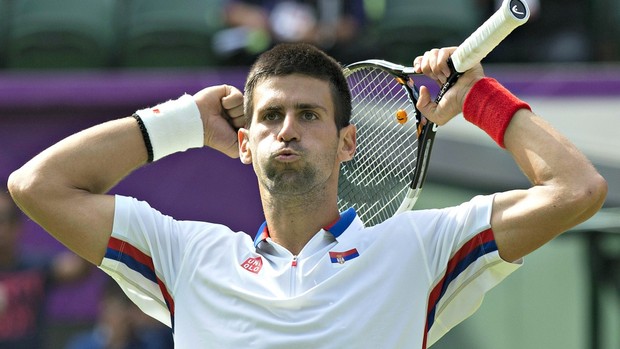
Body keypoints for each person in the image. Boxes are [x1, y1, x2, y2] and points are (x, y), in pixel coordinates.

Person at [7, 43, 607, 347]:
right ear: (245, 144)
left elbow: (576, 189)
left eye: (309, 114)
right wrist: (181, 123)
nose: (288, 128)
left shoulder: (422, 249)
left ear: (348, 143)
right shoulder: (185, 256)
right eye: (270, 116)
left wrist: (481, 99)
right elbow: (36, 187)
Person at [0, 185, 92, 349]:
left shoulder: (34, 266)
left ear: (17, 225)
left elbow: (78, 269)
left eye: (4, 219)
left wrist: (82, 214)